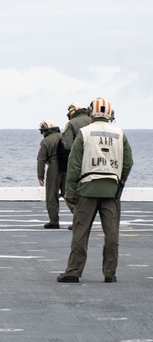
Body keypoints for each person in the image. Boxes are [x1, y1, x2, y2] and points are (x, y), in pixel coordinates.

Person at [58, 97, 132, 283]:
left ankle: (73, 271)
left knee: (80, 234)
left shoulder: (85, 133)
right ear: (109, 114)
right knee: (112, 235)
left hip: (86, 189)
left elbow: (74, 165)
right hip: (111, 191)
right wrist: (119, 181)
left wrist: (70, 192)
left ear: (92, 113)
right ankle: (110, 273)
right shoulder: (120, 134)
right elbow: (128, 163)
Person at [59, 103, 91, 228]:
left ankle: (79, 220)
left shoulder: (71, 124)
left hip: (79, 162)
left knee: (71, 191)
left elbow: (67, 145)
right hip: (96, 163)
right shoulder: (92, 120)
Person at [37, 120, 66, 229]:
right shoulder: (64, 137)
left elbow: (41, 160)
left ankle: (54, 221)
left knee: (51, 195)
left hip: (54, 168)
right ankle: (79, 218)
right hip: (67, 168)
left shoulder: (45, 141)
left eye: (42, 131)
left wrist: (40, 176)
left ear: (46, 130)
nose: (42, 134)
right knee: (69, 194)